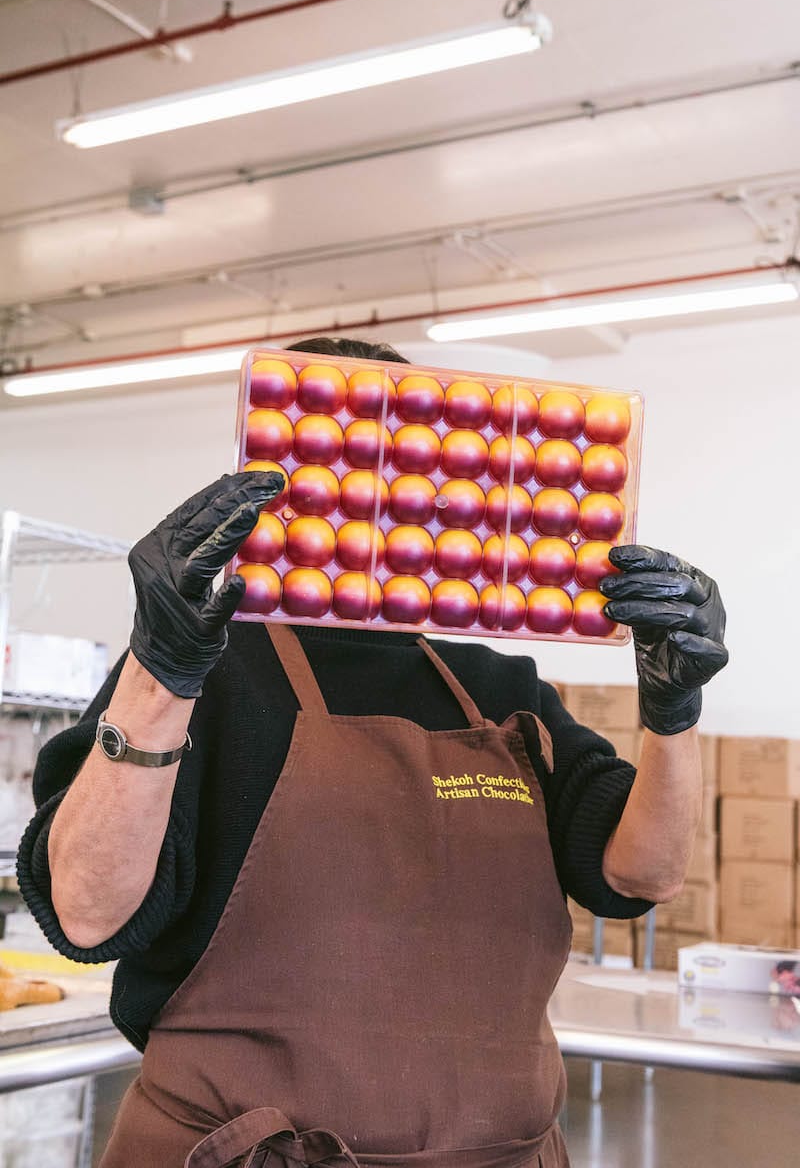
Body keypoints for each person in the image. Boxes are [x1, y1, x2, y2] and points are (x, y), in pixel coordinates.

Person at [17, 337, 728, 1168]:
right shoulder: (199, 675)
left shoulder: (500, 685)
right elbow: (86, 910)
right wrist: (160, 675)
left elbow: (643, 874)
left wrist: (673, 714)